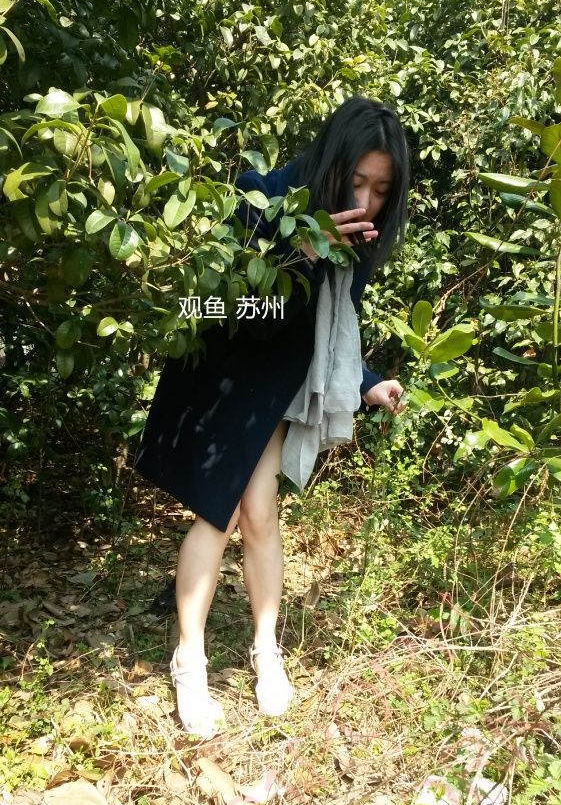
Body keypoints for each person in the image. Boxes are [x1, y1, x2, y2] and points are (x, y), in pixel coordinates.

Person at [135, 96, 409, 739]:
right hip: (222, 374)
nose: (366, 201)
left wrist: (366, 381)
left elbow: (334, 324)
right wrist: (299, 253)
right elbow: (215, 306)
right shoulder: (262, 197)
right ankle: (190, 660)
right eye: (357, 182)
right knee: (222, 510)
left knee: (260, 514)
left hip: (275, 386)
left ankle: (266, 650)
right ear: (332, 162)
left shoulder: (357, 237)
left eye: (380, 190)